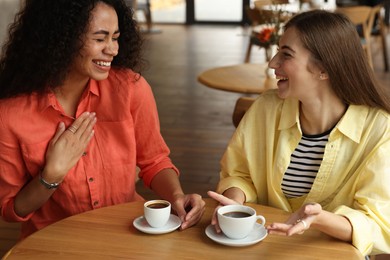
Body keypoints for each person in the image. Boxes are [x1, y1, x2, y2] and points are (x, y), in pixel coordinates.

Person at [0, 0, 205, 239]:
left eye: (115, 37)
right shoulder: (10, 114)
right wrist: (51, 176)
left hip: (128, 234)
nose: (113, 49)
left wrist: (177, 197)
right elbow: (10, 209)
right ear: (61, 39)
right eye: (100, 39)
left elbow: (155, 161)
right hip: (55, 243)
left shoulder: (131, 89)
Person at [208, 10, 390, 256]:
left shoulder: (379, 130)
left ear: (324, 68)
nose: (273, 63)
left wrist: (319, 219)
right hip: (264, 248)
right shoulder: (266, 108)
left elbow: (377, 224)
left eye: (286, 54)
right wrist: (234, 203)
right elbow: (240, 173)